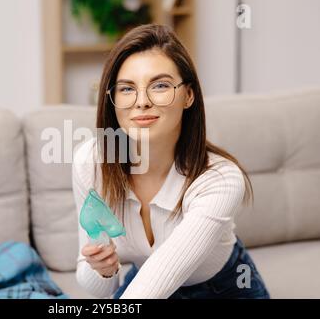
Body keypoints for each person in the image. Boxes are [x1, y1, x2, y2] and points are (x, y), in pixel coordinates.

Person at [72, 24, 270, 299]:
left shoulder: (220, 178)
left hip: (224, 288)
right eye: (127, 89)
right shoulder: (90, 164)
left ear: (188, 95)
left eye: (160, 85)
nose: (141, 101)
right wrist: (104, 270)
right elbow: (99, 287)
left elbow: (156, 281)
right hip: (147, 281)